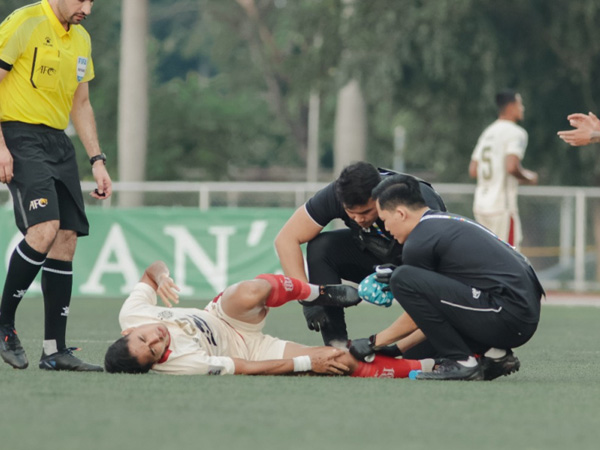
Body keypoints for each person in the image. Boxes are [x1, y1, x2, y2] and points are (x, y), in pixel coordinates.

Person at [0, 0, 111, 372]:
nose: (88, 9)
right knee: (44, 229)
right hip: (18, 135)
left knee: (66, 239)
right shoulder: (25, 22)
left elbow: (81, 104)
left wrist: (97, 161)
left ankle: (54, 350)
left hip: (57, 142)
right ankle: (3, 325)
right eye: (82, 0)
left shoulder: (81, 39)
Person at [349, 174, 545, 381]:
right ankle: (494, 354)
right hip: (518, 313)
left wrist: (374, 342)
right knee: (415, 353)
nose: (386, 228)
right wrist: (396, 348)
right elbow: (440, 307)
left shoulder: (419, 241)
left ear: (400, 213)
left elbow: (419, 315)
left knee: (402, 278)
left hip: (508, 315)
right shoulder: (441, 222)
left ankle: (462, 362)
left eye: (385, 220)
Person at [104, 261, 434, 378]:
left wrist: (160, 277)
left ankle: (314, 293)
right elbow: (246, 367)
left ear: (128, 330)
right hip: (250, 350)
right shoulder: (182, 365)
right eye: (154, 350)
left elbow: (151, 269)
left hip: (218, 313)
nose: (157, 338)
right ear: (155, 364)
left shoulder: (133, 313)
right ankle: (432, 367)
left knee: (251, 292)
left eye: (144, 337)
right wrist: (308, 363)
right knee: (338, 361)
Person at [274, 161, 446, 346]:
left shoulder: (416, 201)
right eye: (351, 213)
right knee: (321, 247)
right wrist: (308, 297)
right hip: (377, 257)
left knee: (416, 354)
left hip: (423, 270)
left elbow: (437, 278)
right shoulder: (336, 194)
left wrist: (379, 345)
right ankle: (337, 348)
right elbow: (285, 239)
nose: (358, 219)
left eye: (366, 212)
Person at [469, 89, 538, 251]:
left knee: (486, 255)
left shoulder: (488, 132)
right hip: (501, 207)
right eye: (520, 104)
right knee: (509, 258)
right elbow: (511, 166)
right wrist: (529, 177)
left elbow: (473, 170)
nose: (522, 108)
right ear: (512, 106)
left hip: (481, 205)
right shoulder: (516, 132)